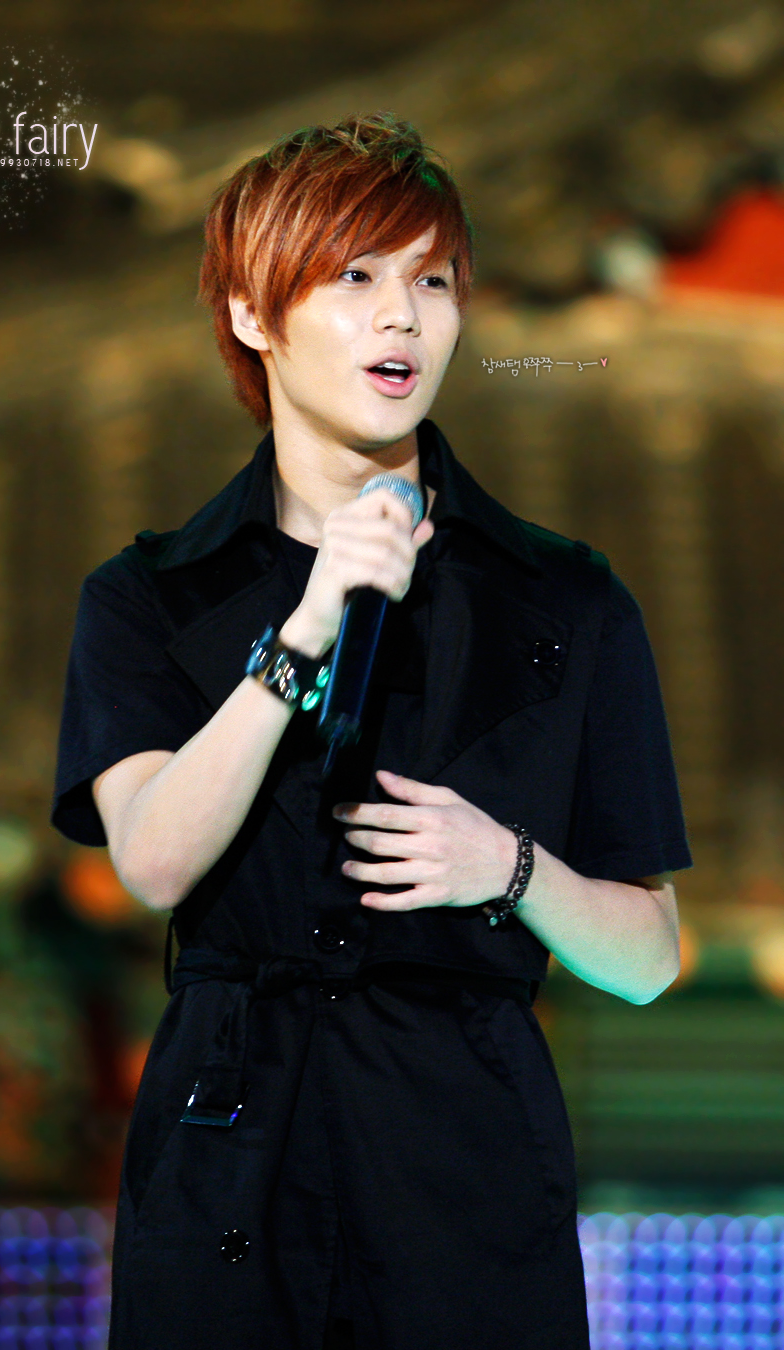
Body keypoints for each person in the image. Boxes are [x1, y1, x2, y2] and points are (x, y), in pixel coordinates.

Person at [51, 112, 690, 1350]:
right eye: (354, 277)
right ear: (253, 312)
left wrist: (507, 867)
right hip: (229, 1153)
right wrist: (299, 634)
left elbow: (650, 955)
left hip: (462, 1160)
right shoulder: (148, 595)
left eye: (432, 281)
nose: (402, 316)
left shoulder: (566, 599)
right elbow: (155, 861)